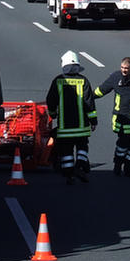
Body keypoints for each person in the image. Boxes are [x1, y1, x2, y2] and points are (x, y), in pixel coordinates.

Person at [93, 57, 130, 177]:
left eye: (126, 68)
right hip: (120, 120)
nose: (124, 70)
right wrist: (88, 96)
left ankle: (129, 168)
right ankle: (117, 166)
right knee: (123, 144)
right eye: (122, 68)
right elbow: (102, 90)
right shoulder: (116, 77)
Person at [46, 51, 98, 185]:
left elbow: (51, 100)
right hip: (82, 127)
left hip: (65, 127)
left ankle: (69, 175)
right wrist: (93, 121)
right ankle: (80, 167)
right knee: (82, 148)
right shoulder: (84, 81)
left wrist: (53, 114)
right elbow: (89, 103)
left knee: (66, 151)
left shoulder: (58, 81)